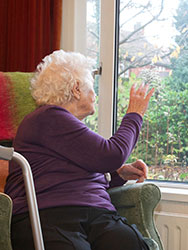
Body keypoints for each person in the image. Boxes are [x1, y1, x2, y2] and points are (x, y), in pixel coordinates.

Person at [5, 50, 155, 250]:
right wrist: (134, 114)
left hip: (95, 214)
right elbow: (112, 154)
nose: (94, 95)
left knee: (131, 243)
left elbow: (82, 172)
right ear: (76, 89)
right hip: (49, 216)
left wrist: (117, 174)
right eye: (91, 87)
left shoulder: (66, 128)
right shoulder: (46, 118)